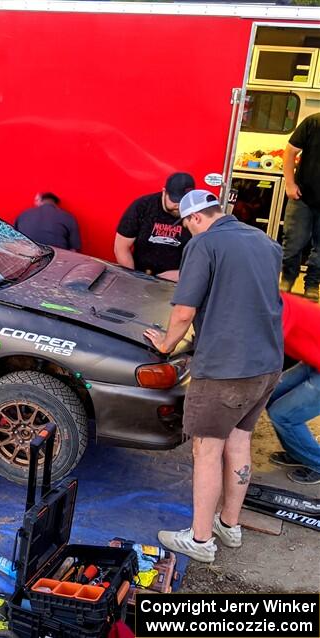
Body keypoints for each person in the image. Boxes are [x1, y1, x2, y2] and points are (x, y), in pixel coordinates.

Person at [144, 189, 283, 564]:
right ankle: (229, 526)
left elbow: (184, 311)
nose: (188, 231)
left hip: (225, 369)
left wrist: (166, 346)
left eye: (187, 225)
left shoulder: (204, 244)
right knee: (239, 441)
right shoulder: (266, 242)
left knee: (206, 449)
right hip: (267, 364)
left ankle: (201, 540)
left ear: (194, 219)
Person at [267, 292, 320, 485]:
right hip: (314, 361)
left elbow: (264, 352)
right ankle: (299, 452)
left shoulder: (274, 310)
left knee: (283, 415)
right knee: (271, 396)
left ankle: (316, 462)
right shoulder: (270, 298)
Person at [114, 173, 195, 281]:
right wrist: (132, 279)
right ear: (164, 192)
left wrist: (183, 275)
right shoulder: (143, 206)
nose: (179, 205)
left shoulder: (196, 213)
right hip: (141, 275)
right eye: (175, 200)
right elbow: (121, 247)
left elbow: (207, 257)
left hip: (179, 281)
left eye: (184, 201)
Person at [281, 113, 320, 302]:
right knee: (293, 243)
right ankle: (287, 281)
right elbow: (289, 152)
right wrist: (289, 183)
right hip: (302, 196)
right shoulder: (314, 122)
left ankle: (312, 285)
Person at [14, 192, 81, 251]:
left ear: (40, 201)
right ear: (56, 205)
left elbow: (12, 240)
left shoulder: (23, 214)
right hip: (56, 259)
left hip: (26, 257)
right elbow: (74, 249)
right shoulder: (68, 217)